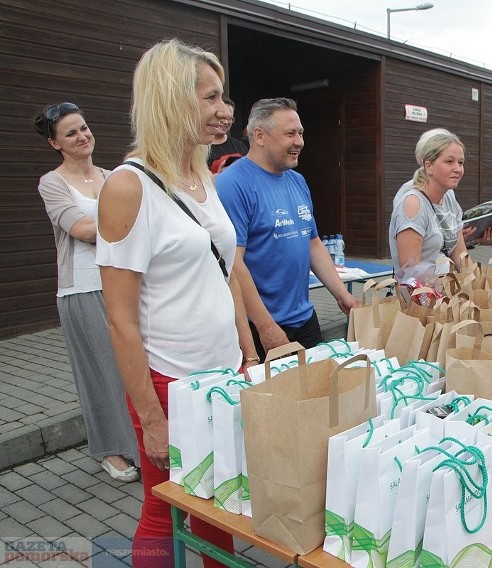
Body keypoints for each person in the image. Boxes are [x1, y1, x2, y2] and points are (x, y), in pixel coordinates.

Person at [97, 39, 259, 567]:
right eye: (211, 99)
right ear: (170, 99)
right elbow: (120, 318)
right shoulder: (129, 187)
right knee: (161, 506)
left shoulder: (202, 174)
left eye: (224, 98)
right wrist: (151, 418)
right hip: (170, 382)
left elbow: (226, 271)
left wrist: (248, 354)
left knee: (217, 504)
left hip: (224, 373)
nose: (225, 111)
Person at [32, 102, 139, 483]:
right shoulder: (52, 182)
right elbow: (79, 229)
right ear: (54, 143)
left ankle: (141, 442)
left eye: (84, 127)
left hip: (122, 283)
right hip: (82, 288)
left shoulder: (112, 176)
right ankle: (112, 449)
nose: (82, 136)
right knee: (102, 372)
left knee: (133, 367)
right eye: (71, 133)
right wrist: (126, 222)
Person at [217, 97, 358, 357]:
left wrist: (342, 295)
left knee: (319, 393)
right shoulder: (232, 184)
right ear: (259, 135)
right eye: (290, 134)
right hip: (261, 326)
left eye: (301, 133)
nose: (299, 142)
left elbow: (312, 243)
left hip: (304, 318)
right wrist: (265, 325)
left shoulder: (297, 181)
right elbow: (233, 264)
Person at [389, 130, 472, 276]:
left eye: (461, 162)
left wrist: (478, 283)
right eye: (449, 161)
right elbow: (411, 271)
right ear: (428, 166)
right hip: (424, 295)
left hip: (450, 291)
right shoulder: (413, 204)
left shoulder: (449, 197)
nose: (457, 169)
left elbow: (459, 252)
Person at [207, 96, 247, 169]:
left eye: (230, 118)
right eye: (222, 117)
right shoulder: (201, 147)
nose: (226, 122)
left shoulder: (240, 146)